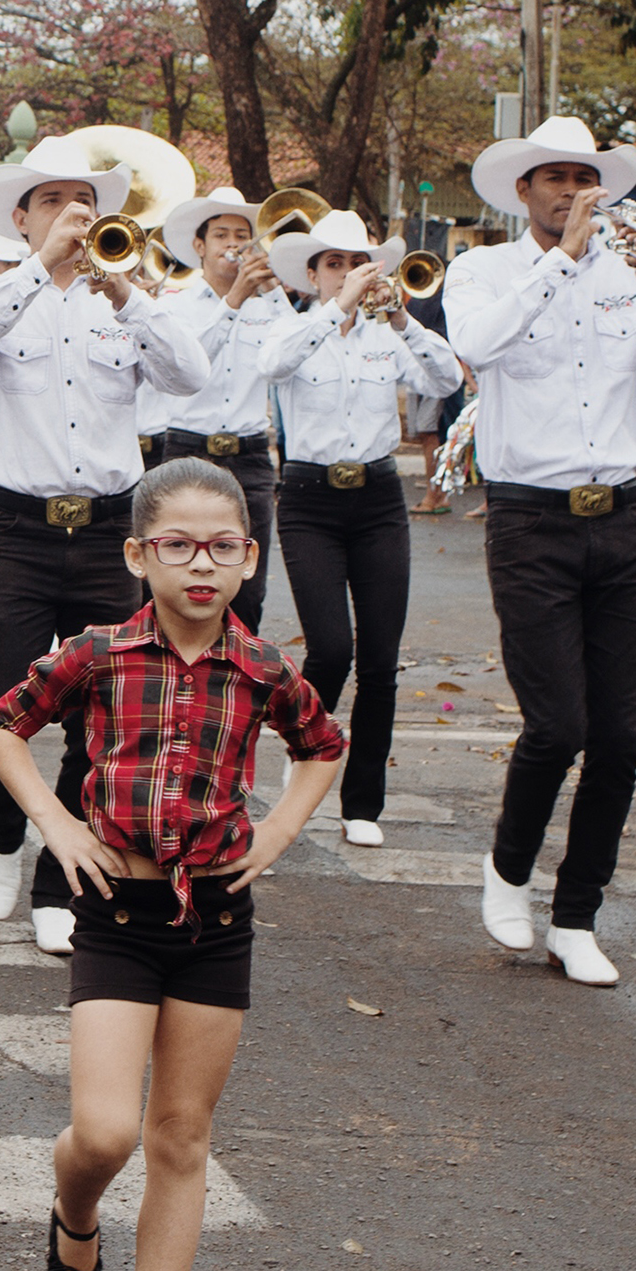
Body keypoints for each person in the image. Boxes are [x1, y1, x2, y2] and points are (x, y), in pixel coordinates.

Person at [0, 456, 345, 1271]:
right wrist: (57, 827)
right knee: (105, 1133)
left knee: (181, 1136)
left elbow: (323, 744)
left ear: (248, 558)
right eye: (177, 544)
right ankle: (74, 1216)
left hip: (216, 922)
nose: (200, 564)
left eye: (222, 546)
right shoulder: (98, 652)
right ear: (139, 554)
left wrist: (270, 839)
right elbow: (0, 725)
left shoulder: (260, 665)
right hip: (118, 916)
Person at [445, 117, 636, 988]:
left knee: (621, 737)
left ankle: (578, 914)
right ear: (522, 191)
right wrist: (562, 260)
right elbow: (476, 348)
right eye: (554, 178)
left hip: (624, 518)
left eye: (583, 177)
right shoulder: (482, 270)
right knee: (557, 723)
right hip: (530, 517)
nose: (572, 191)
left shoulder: (628, 269)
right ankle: (509, 867)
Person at [0, 133, 210, 953]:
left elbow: (191, 376)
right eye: (53, 202)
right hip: (15, 527)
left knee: (107, 716)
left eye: (84, 202)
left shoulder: (124, 302)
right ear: (21, 219)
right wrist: (38, 271)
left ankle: (61, 875)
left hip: (106, 531)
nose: (72, 216)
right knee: (0, 706)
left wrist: (127, 290)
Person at [260, 213, 462, 844]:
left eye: (356, 262)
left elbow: (446, 380)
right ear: (314, 275)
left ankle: (361, 804)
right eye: (335, 264)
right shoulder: (294, 329)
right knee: (331, 649)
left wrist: (403, 319)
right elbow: (273, 365)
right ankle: (303, 759)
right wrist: (335, 310)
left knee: (378, 660)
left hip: (376, 499)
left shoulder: (385, 337)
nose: (348, 274)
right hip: (308, 498)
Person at [148, 187, 288, 634]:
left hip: (249, 456)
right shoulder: (173, 306)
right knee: (175, 577)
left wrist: (273, 291)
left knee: (246, 587)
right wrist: (234, 302)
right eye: (222, 235)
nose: (233, 245)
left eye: (243, 236)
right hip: (187, 449)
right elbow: (188, 369)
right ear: (199, 246)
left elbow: (291, 360)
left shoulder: (270, 308)